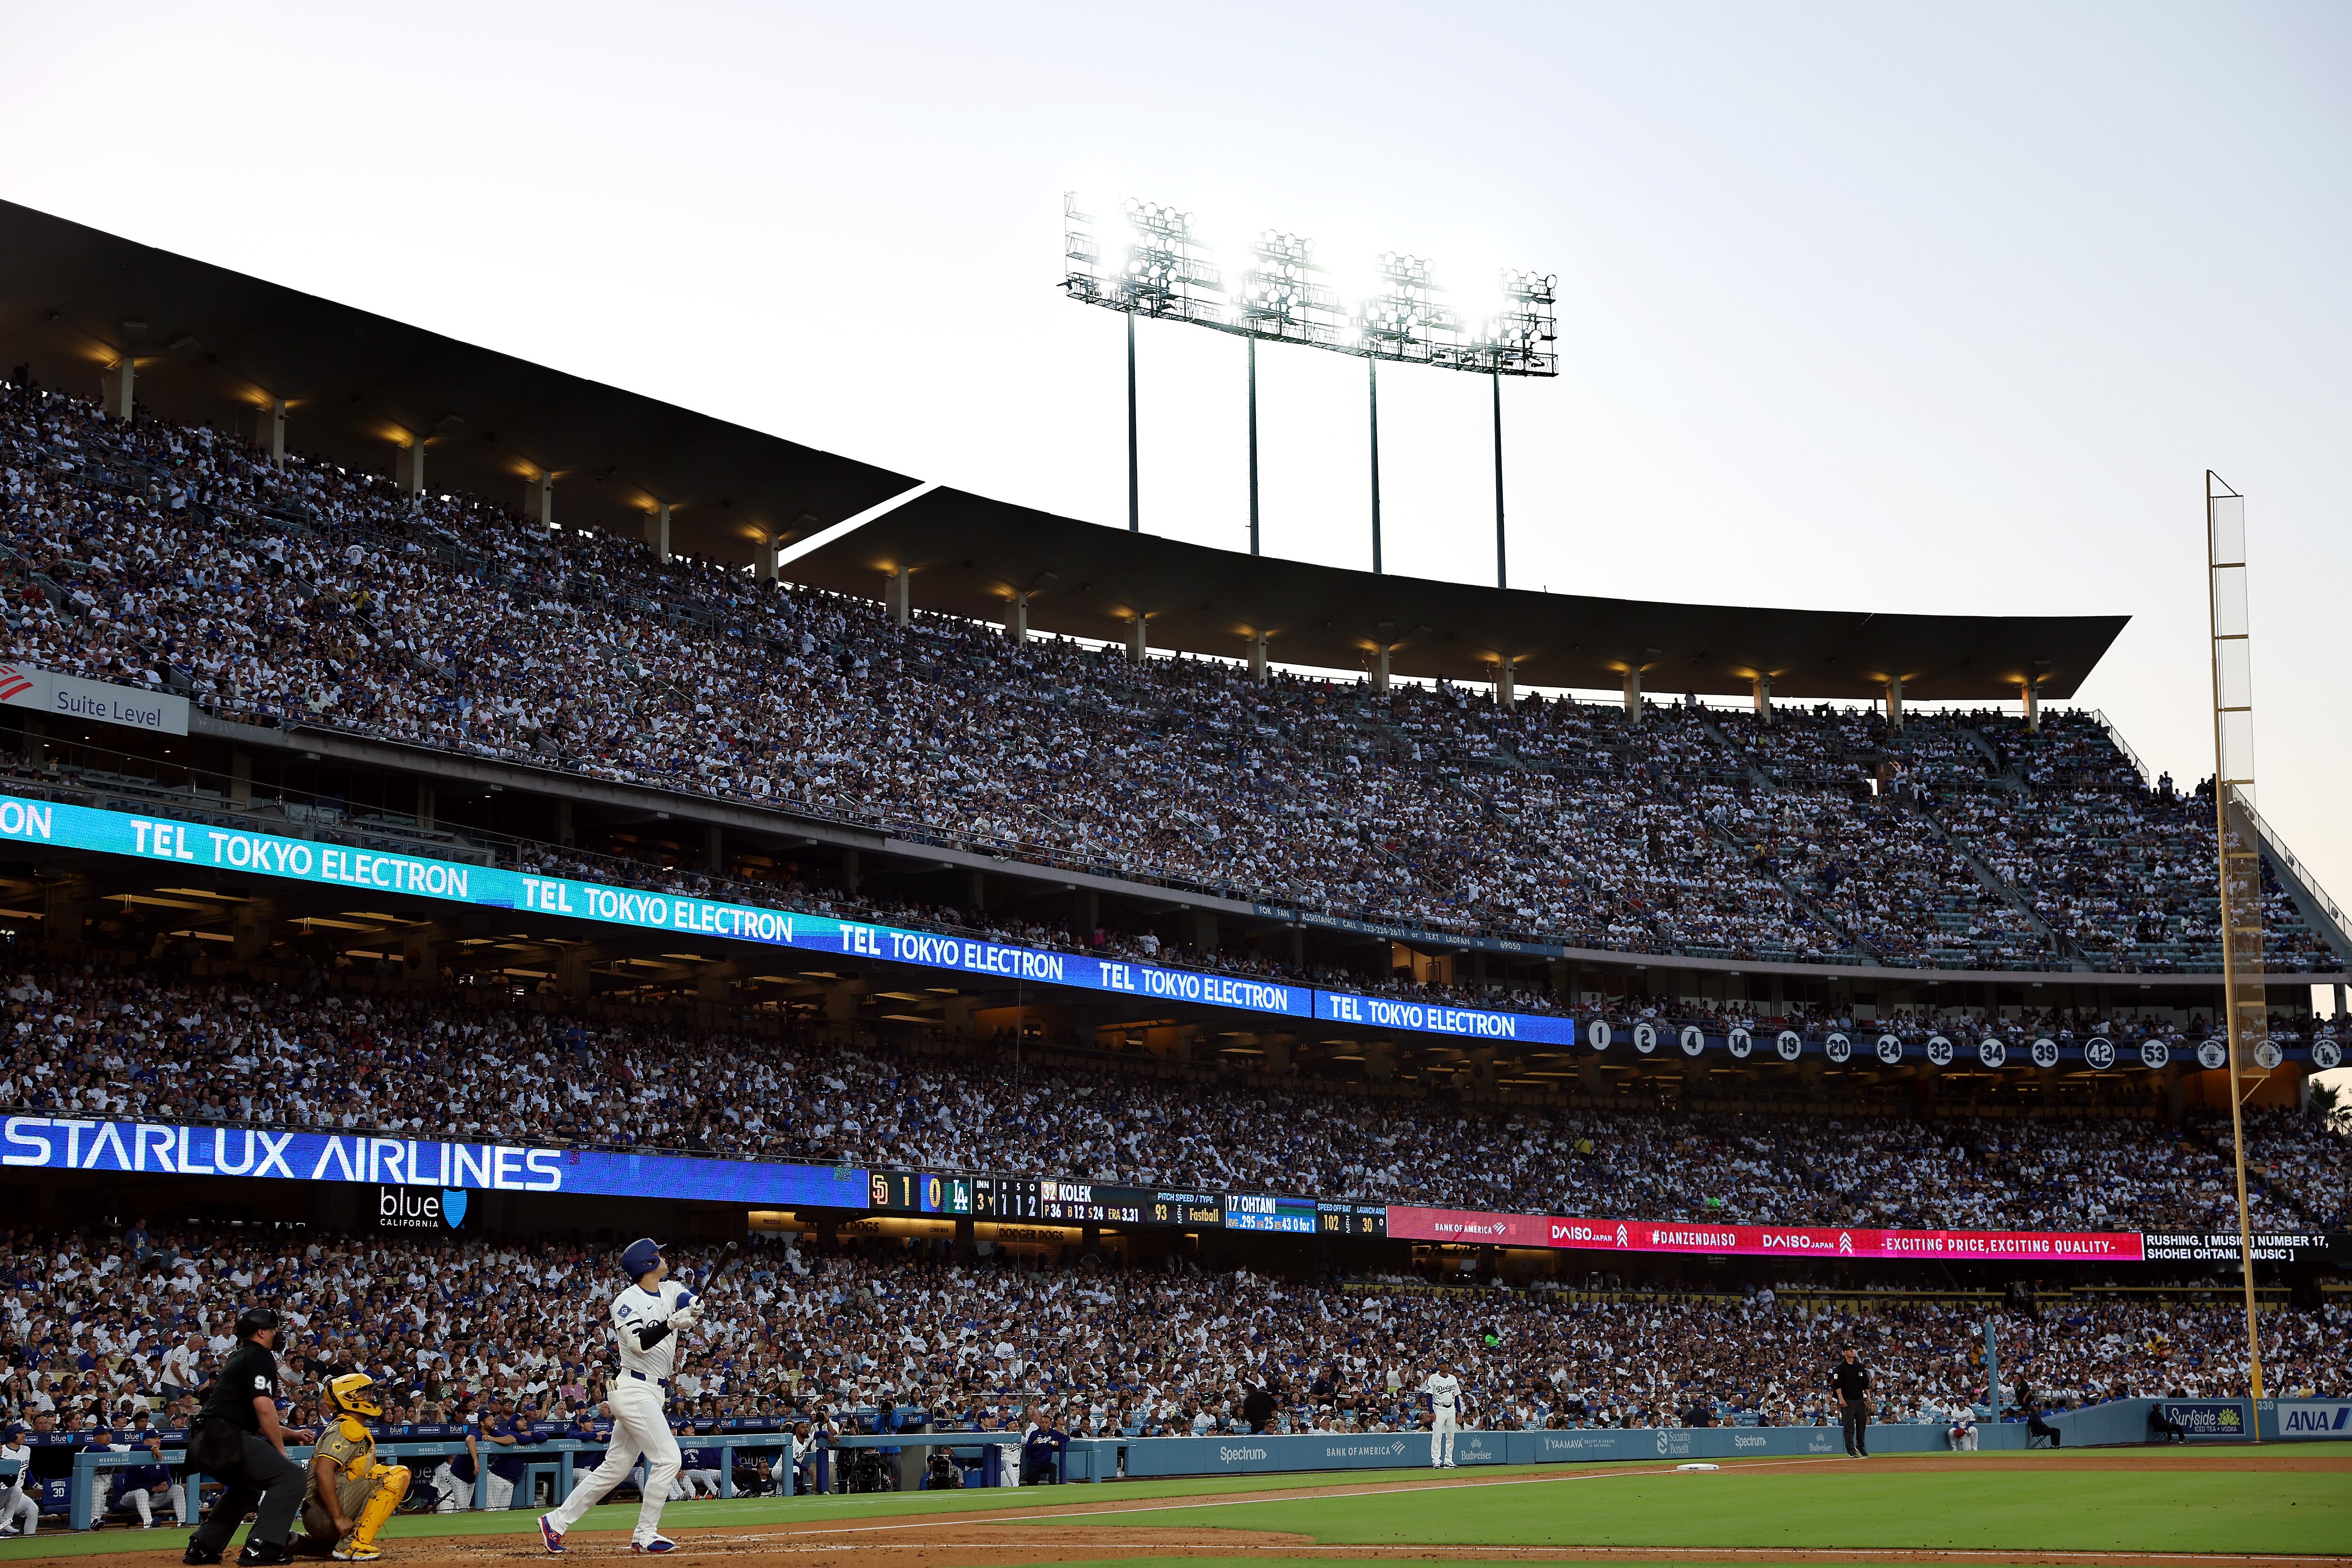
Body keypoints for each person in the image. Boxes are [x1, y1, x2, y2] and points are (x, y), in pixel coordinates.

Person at [537, 1238, 700, 1555]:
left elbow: (686, 1297)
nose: (662, 1257)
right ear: (646, 1264)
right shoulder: (627, 1301)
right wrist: (672, 1322)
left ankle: (555, 1522)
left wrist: (695, 1305)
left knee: (615, 1468)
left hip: (654, 1390)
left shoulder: (668, 1289)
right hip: (634, 1389)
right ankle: (645, 1534)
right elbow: (639, 1344)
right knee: (669, 1459)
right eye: (657, 1254)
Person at [184, 1305, 313, 1568]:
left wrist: (291, 1434)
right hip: (225, 1437)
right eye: (274, 1329)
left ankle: (204, 1546)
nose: (277, 1333)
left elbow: (248, 1419)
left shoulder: (239, 1356)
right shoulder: (259, 1356)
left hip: (205, 1440)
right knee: (291, 1477)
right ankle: (262, 1546)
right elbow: (263, 1407)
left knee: (247, 1489)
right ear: (262, 1332)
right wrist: (280, 1450)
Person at [293, 1374, 412, 1562]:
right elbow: (323, 1471)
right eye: (364, 1393)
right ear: (348, 1399)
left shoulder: (354, 1427)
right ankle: (353, 1545)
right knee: (396, 1475)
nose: (371, 1398)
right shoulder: (345, 1428)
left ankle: (303, 1544)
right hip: (324, 1512)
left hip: (323, 1511)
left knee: (381, 1473)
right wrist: (338, 1516)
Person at [1421, 1359, 1465, 1469]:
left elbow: (1457, 1396)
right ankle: (1436, 1461)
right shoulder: (1433, 1378)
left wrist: (1459, 1411)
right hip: (1439, 1408)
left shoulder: (1453, 1378)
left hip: (1451, 1408)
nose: (1446, 1365)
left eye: (1447, 1364)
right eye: (1444, 1364)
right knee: (1437, 1436)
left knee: (1451, 1436)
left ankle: (1448, 1461)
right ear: (1439, 1366)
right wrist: (1431, 1411)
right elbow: (1429, 1395)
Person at [1831, 1349, 1871, 1459]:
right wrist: (1841, 1399)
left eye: (1853, 1350)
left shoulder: (1859, 1367)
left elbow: (1865, 1384)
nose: (1852, 1352)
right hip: (1847, 1400)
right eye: (1849, 1350)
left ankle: (1860, 1446)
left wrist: (1868, 1396)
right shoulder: (1840, 1368)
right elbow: (1837, 1385)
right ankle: (1851, 1450)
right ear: (1845, 1353)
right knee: (1849, 1427)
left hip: (1859, 1399)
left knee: (1862, 1425)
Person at [0, 1422, 36, 1538]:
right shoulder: (3, 1452)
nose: (24, 1435)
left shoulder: (27, 1450)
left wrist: (35, 1484)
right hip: (3, 1493)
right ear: (12, 1436)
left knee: (33, 1509)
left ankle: (29, 1540)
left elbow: (26, 1469)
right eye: (20, 1433)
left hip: (16, 1494)